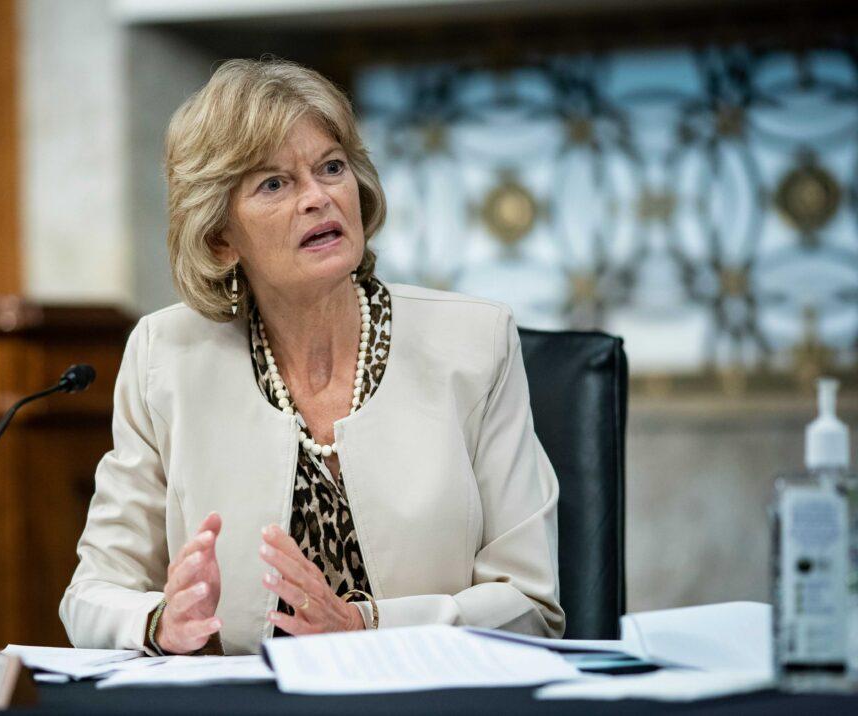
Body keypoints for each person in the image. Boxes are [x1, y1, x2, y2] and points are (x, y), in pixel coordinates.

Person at [59, 58, 564, 656]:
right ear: (221, 238)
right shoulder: (165, 359)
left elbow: (531, 608)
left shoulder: (475, 343)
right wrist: (159, 622)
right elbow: (91, 595)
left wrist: (365, 628)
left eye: (331, 168)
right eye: (274, 184)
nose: (318, 198)